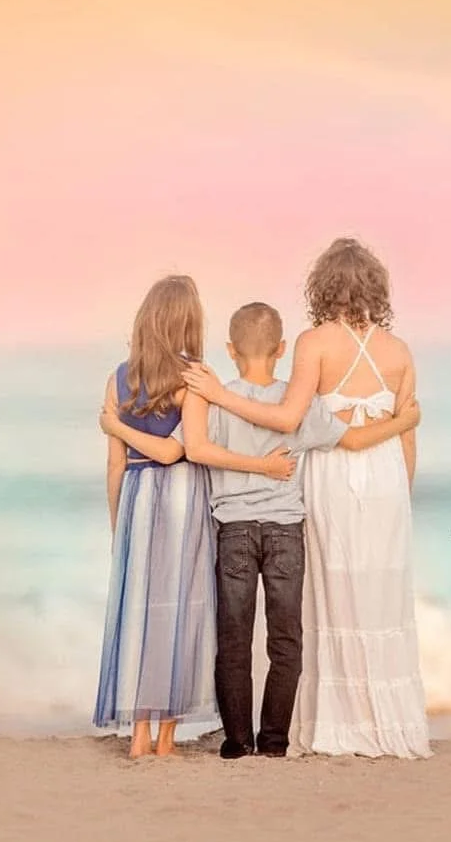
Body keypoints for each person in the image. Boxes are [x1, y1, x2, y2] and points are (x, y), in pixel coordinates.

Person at [103, 301, 421, 759]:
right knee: (285, 640)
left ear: (231, 350)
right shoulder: (299, 404)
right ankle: (274, 742)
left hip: (233, 528)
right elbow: (352, 440)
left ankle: (237, 742)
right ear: (282, 349)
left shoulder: (212, 398)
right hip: (285, 528)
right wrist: (402, 422)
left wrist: (117, 428)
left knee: (233, 640)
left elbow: (191, 449)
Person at [182, 239, 433, 758]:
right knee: (374, 599)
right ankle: (372, 723)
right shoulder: (400, 351)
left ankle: (293, 730)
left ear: (322, 287)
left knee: (319, 600)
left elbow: (283, 419)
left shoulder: (313, 343)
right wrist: (402, 483)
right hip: (382, 478)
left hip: (316, 485)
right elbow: (400, 437)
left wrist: (221, 396)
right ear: (376, 287)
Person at [94, 276, 296, 758]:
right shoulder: (195, 378)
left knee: (141, 610)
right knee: (180, 608)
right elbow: (177, 451)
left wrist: (118, 519)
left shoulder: (118, 379)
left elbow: (116, 463)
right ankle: (165, 738)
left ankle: (139, 735)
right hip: (182, 497)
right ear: (189, 322)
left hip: (138, 497)